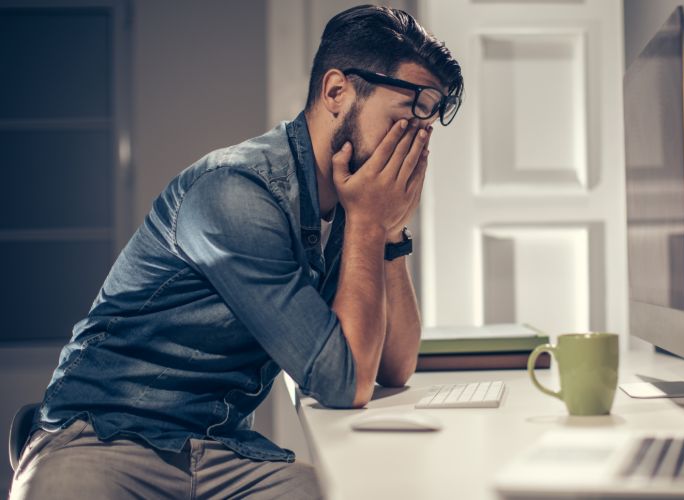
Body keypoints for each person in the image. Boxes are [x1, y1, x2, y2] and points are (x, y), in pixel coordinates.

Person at [10, 4, 463, 499]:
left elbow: (393, 366)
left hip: (221, 452)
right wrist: (371, 224)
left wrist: (391, 231)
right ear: (337, 91)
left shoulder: (349, 205)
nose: (419, 139)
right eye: (410, 111)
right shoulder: (235, 191)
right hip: (102, 438)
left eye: (430, 120)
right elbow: (345, 382)